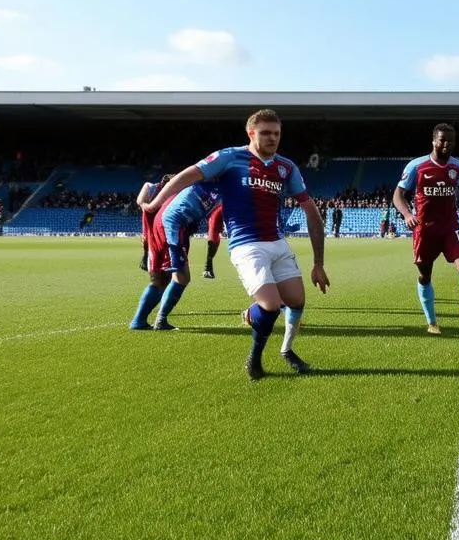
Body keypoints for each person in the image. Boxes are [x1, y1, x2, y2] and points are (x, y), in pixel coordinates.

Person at [143, 109, 328, 380]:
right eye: (265, 133)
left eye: (276, 133)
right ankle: (254, 360)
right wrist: (157, 201)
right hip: (247, 245)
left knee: (297, 300)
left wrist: (318, 263)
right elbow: (188, 175)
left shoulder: (286, 167)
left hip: (277, 242)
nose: (272, 138)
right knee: (270, 306)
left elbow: (310, 210)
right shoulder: (230, 157)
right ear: (251, 133)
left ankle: (286, 351)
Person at [392, 122, 459, 334]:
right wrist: (407, 214)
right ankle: (432, 322)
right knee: (425, 276)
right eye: (442, 140)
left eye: (450, 141)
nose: (446, 144)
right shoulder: (416, 166)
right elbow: (398, 195)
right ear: (434, 140)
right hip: (424, 230)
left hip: (451, 227)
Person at [130, 180, 221, 331]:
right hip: (170, 229)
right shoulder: (186, 190)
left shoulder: (162, 190)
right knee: (181, 277)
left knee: (160, 279)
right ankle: (160, 320)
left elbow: (146, 187)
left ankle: (139, 321)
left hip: (155, 231)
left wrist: (144, 204)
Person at [136, 174, 172, 269]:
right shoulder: (151, 187)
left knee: (159, 241)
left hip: (159, 218)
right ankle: (150, 260)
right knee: (150, 239)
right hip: (151, 218)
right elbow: (140, 201)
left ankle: (161, 262)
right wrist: (146, 206)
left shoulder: (171, 193)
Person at [203, 202, 224, 278]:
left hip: (216, 224)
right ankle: (207, 270)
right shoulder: (223, 206)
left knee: (213, 247)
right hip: (214, 224)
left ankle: (208, 269)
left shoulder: (222, 206)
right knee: (212, 246)